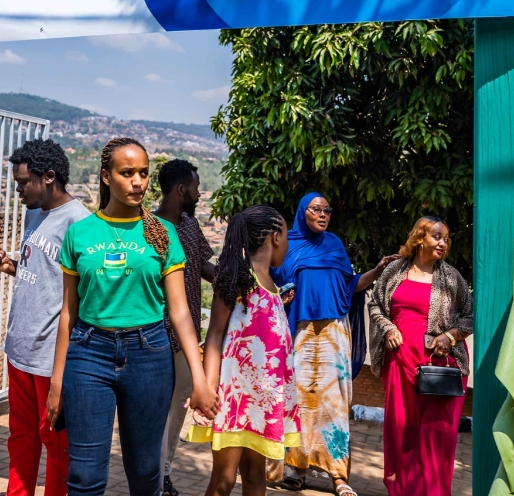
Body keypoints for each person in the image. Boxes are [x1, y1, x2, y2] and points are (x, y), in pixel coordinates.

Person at [47, 137, 217, 496]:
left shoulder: (163, 234)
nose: (138, 182)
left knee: (144, 473)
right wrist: (57, 382)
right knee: (84, 477)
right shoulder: (80, 233)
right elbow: (68, 313)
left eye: (143, 173)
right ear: (106, 176)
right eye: (127, 173)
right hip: (88, 353)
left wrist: (200, 379)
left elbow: (180, 313)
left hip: (149, 355)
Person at [269, 192, 396, 495]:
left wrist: (377, 270)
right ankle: (295, 470)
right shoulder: (287, 245)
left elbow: (351, 286)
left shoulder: (335, 245)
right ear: (303, 212)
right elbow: (272, 283)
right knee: (298, 402)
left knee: (334, 404)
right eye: (316, 210)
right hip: (299, 332)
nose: (323, 215)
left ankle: (338, 476)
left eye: (327, 210)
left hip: (333, 333)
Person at [0, 139, 88, 496]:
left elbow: (81, 296)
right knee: (21, 436)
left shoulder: (79, 224)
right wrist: (10, 266)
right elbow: (44, 274)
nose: (18, 190)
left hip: (50, 357)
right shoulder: (34, 212)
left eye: (23, 182)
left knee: (56, 444)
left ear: (49, 177)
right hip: (20, 349)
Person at [191, 205, 300, 496]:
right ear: (275, 237)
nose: (287, 244)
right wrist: (207, 388)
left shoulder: (273, 286)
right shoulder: (238, 278)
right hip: (234, 399)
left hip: (263, 401)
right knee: (224, 480)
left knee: (254, 476)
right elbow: (215, 335)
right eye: (287, 236)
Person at [367, 216, 472, 496]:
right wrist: (389, 328)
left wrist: (450, 337)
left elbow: (470, 317)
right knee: (403, 431)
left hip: (442, 367)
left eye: (446, 238)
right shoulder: (395, 271)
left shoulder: (452, 278)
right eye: (437, 236)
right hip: (400, 361)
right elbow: (375, 305)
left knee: (437, 437)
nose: (442, 243)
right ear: (419, 238)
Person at [153, 158, 216, 496]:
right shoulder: (151, 228)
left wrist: (238, 284)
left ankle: (163, 473)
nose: (199, 194)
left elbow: (205, 265)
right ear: (181, 189)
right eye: (195, 188)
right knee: (155, 410)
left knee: (177, 406)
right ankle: (152, 476)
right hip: (155, 335)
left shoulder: (190, 225)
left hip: (186, 335)